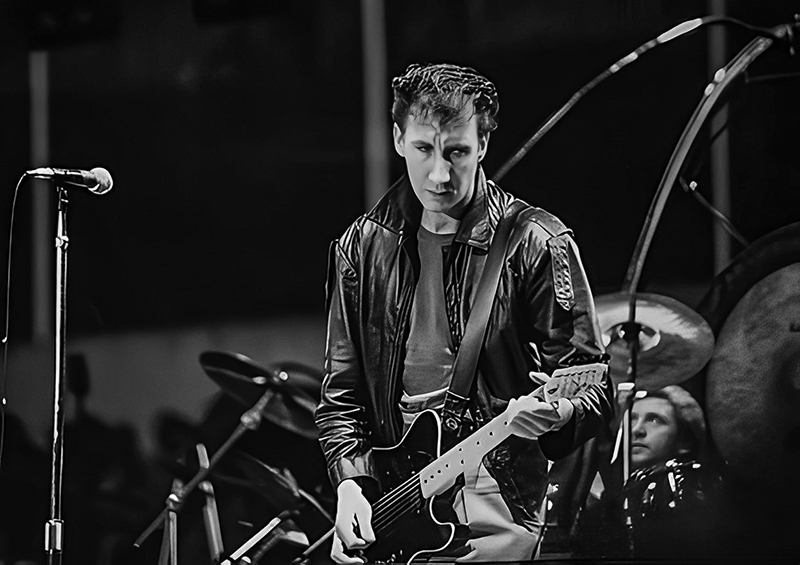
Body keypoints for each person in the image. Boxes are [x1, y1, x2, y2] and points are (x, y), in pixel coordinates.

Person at [315, 62, 612, 563]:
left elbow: (593, 386)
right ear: (396, 138)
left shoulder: (533, 241)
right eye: (423, 150)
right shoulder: (360, 247)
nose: (438, 174)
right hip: (399, 490)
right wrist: (350, 487)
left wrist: (558, 411)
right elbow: (341, 395)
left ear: (484, 147)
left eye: (457, 152)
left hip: (495, 482)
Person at [575, 385, 728, 559]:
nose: (637, 430)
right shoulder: (608, 498)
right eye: (631, 419)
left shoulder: (689, 485)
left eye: (655, 420)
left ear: (685, 441)